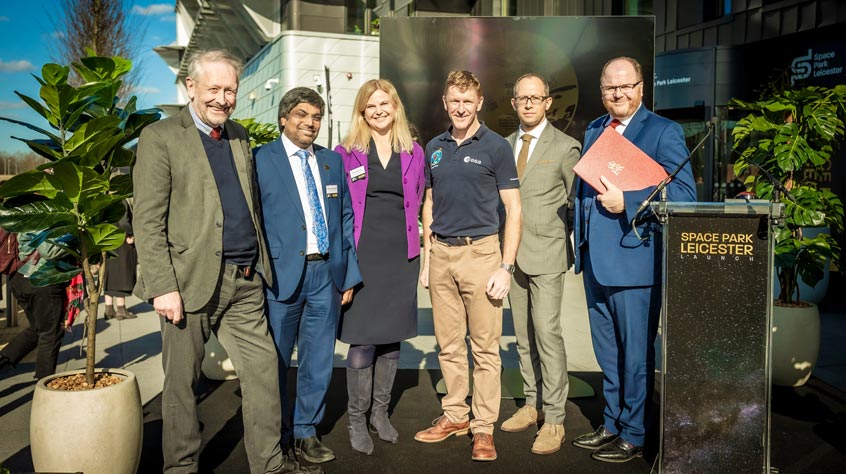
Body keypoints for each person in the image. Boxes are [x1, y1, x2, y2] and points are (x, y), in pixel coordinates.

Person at [133, 50, 318, 474]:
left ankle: (269, 466)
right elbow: (147, 219)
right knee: (181, 387)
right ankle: (180, 468)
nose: (222, 98)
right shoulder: (160, 137)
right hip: (187, 284)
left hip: (245, 281)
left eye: (230, 89)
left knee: (264, 375)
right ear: (191, 88)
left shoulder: (238, 135)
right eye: (213, 88)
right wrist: (163, 287)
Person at [571, 56, 697, 463]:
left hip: (635, 262)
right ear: (602, 91)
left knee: (636, 355)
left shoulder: (664, 132)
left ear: (642, 88)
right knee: (607, 353)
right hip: (595, 263)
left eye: (626, 86)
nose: (618, 94)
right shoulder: (594, 129)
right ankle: (611, 423)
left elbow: (684, 198)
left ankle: (635, 432)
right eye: (611, 87)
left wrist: (625, 201)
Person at [413, 70, 522, 462]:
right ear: (445, 103)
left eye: (467, 101)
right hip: (441, 254)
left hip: (482, 255)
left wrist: (505, 268)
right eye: (453, 101)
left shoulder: (496, 147)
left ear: (478, 103)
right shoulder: (434, 148)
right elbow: (429, 203)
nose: (460, 108)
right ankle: (455, 415)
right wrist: (428, 261)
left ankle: (482, 428)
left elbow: (513, 208)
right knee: (448, 345)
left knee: (485, 350)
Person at [254, 87, 361, 465]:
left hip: (325, 275)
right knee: (275, 362)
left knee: (317, 360)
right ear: (283, 118)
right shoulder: (260, 159)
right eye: (301, 115)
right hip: (282, 278)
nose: (310, 123)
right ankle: (277, 433)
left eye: (316, 117)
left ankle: (305, 433)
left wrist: (347, 275)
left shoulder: (332, 161)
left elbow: (345, 219)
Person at [333, 79, 425, 455]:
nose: (379, 110)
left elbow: (421, 202)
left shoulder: (414, 152)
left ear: (396, 106)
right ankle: (357, 419)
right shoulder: (345, 152)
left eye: (385, 103)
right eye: (371, 105)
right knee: (363, 337)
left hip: (401, 257)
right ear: (362, 111)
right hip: (363, 255)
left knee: (391, 336)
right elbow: (337, 211)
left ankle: (380, 414)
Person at [499, 73, 581, 455]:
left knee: (548, 335)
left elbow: (575, 203)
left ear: (548, 102)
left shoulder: (566, 147)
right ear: (514, 103)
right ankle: (531, 405)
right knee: (523, 336)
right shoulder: (503, 146)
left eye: (536, 97)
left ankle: (555, 419)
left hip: (547, 255)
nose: (529, 103)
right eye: (522, 98)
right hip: (511, 256)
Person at [0, 231, 67, 380]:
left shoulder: (26, 212)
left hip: (22, 278)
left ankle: (3, 360)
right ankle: (43, 386)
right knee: (50, 334)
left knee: (37, 330)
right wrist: (74, 233)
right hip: (40, 280)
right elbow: (49, 250)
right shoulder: (41, 212)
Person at [103, 199, 137, 321]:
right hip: (121, 240)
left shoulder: (105, 199)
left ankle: (109, 309)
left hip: (108, 239)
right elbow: (123, 222)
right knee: (122, 274)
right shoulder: (120, 200)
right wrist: (129, 234)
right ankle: (121, 309)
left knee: (110, 275)